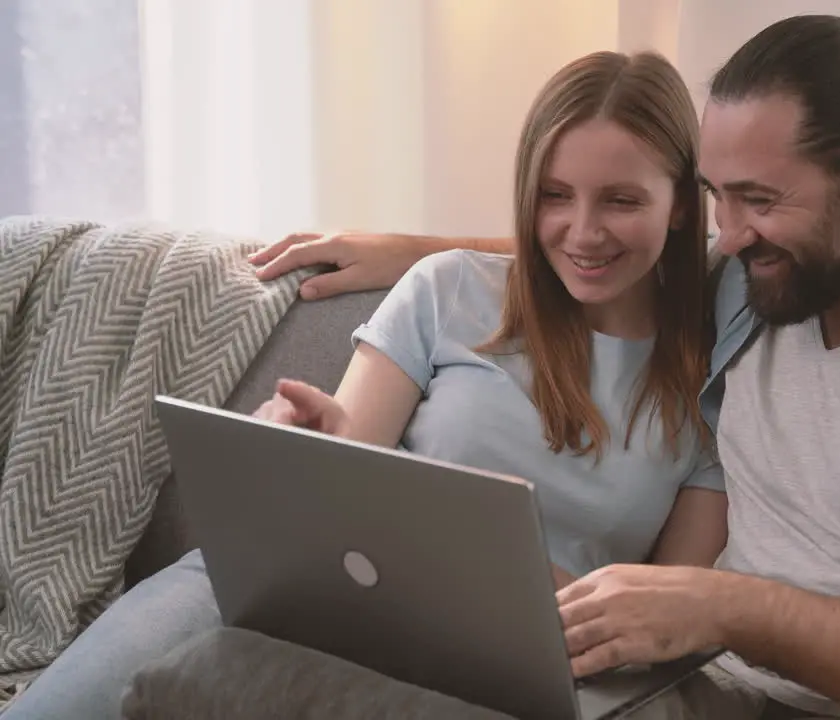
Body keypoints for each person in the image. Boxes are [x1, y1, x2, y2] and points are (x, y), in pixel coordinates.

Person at [255, 12, 840, 720]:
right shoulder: (768, 271)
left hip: (806, 701)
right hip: (676, 686)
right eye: (715, 197)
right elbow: (606, 242)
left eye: (758, 201)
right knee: (245, 671)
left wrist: (725, 609)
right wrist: (407, 249)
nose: (727, 236)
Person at [2, 50, 729, 720]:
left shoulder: (712, 382)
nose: (582, 230)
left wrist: (514, 583)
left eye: (622, 201)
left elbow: (665, 618)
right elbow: (340, 479)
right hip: (312, 594)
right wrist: (305, 451)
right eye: (554, 195)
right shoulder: (449, 290)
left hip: (501, 663)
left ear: (684, 207)